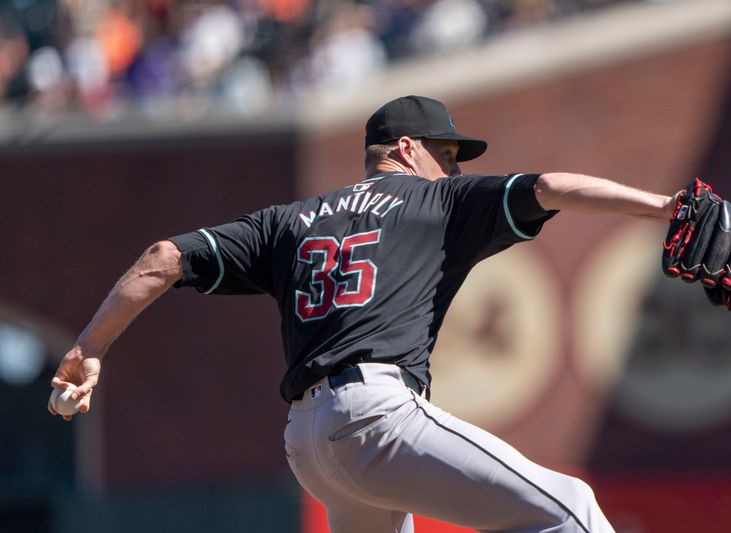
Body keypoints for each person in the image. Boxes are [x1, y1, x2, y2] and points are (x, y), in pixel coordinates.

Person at [49, 95, 677, 532]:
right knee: (570, 510)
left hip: (308, 443)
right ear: (407, 149)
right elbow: (550, 187)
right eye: (449, 153)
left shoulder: (283, 222)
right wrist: (662, 209)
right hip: (378, 416)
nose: (457, 168)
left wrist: (89, 349)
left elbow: (163, 257)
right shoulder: (439, 202)